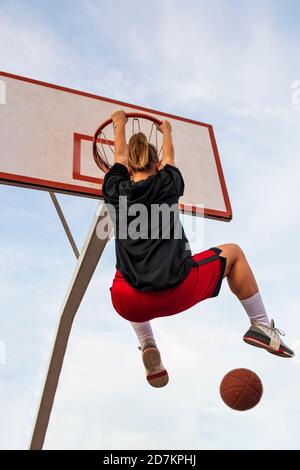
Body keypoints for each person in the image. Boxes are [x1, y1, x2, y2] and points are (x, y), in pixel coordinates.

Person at [102, 110, 294, 388]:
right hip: (175, 291)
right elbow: (170, 159)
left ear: (128, 170)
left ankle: (146, 343)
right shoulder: (169, 183)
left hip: (128, 302)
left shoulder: (113, 189)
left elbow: (119, 157)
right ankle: (261, 325)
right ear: (157, 165)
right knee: (234, 253)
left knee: (124, 273)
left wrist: (119, 125)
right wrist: (167, 131)